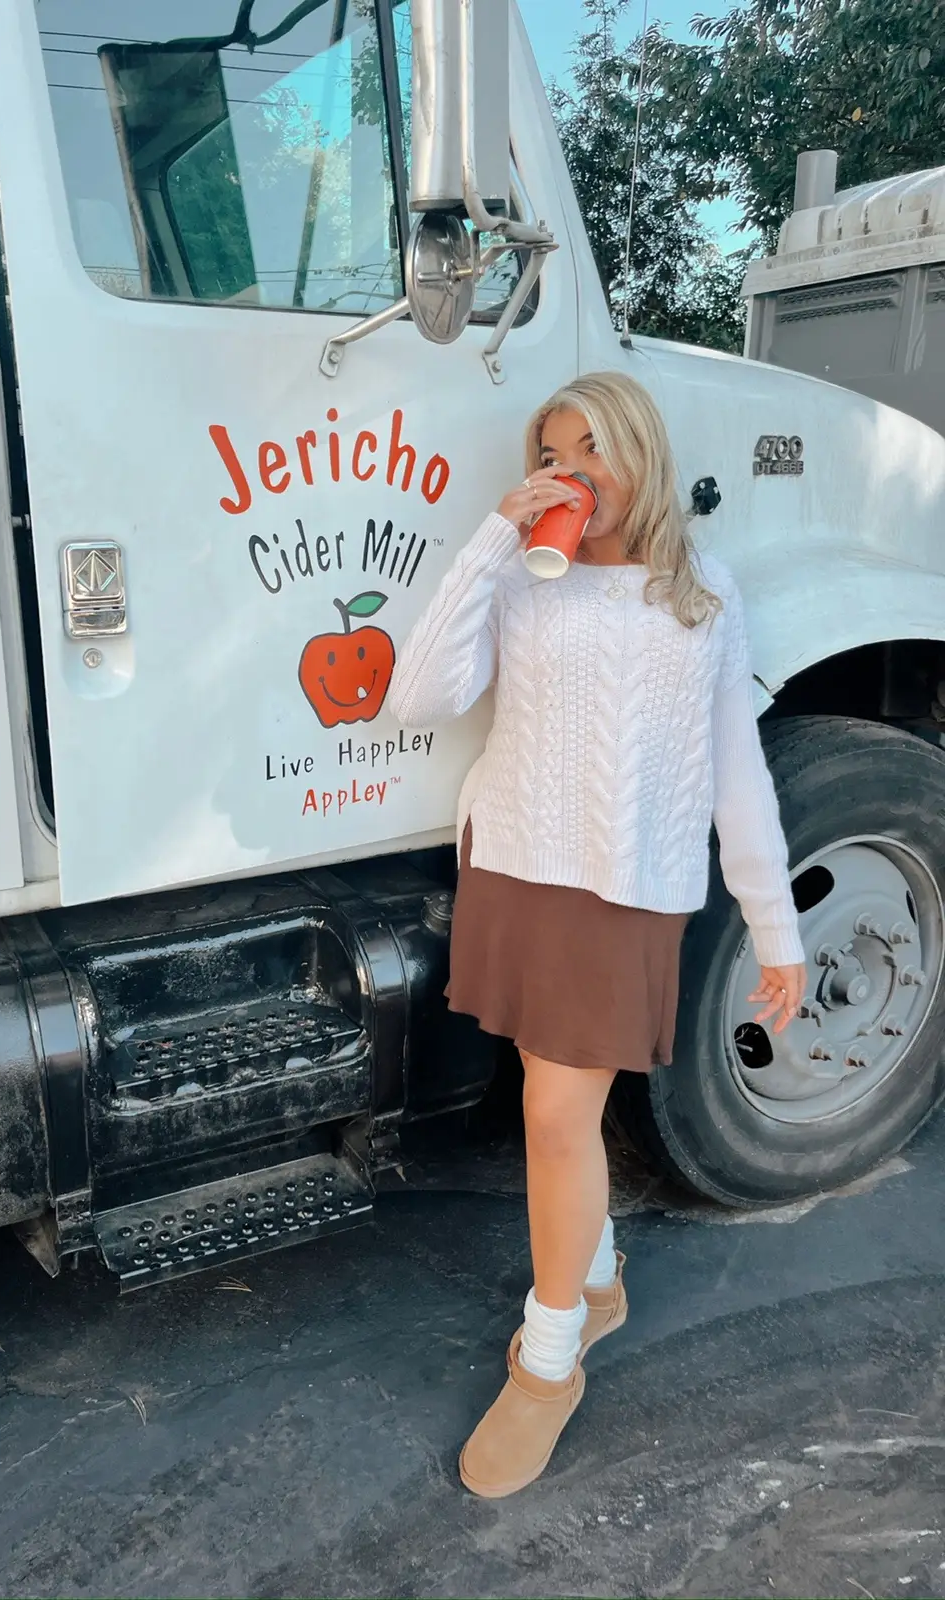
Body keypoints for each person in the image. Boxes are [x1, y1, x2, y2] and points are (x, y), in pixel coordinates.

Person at [388, 370, 806, 1500]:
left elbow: (738, 776)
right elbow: (416, 695)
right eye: (556, 453)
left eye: (595, 448)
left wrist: (777, 926)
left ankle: (552, 1355)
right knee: (553, 1106)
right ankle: (601, 1273)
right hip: (520, 865)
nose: (578, 472)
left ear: (642, 451)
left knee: (555, 1115)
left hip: (627, 888)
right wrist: (494, 537)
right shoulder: (531, 582)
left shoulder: (701, 593)